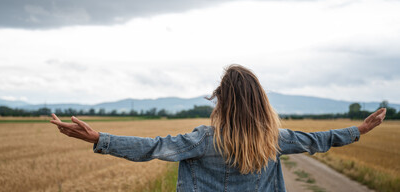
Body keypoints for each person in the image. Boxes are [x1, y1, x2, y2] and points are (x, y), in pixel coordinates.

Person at [50, 64, 386, 192]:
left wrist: (99, 139)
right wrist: (359, 130)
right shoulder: (275, 140)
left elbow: (152, 148)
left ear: (221, 103)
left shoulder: (203, 139)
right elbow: (319, 140)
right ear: (261, 103)